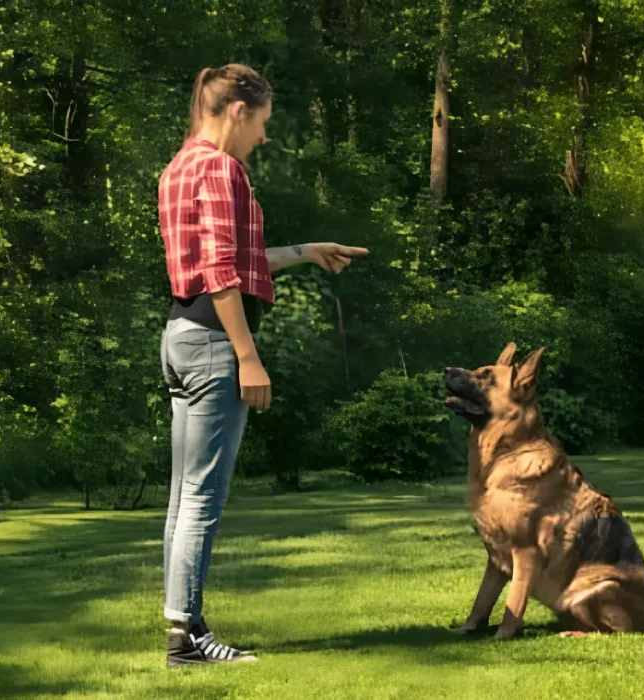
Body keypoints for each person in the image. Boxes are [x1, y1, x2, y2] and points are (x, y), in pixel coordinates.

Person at [158, 63, 369, 667]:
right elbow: (224, 272)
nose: (265, 137)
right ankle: (187, 640)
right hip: (214, 343)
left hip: (180, 333)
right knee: (203, 498)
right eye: (264, 123)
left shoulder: (179, 167)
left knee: (182, 498)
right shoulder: (222, 169)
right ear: (238, 111)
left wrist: (307, 252)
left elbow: (228, 261)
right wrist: (249, 356)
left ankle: (185, 627)